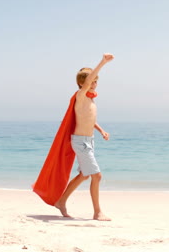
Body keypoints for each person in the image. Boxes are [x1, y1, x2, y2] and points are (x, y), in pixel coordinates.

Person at [54, 53, 114, 221]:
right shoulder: (80, 95)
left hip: (89, 141)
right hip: (80, 142)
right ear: (82, 84)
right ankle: (97, 212)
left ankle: (61, 201)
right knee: (97, 176)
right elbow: (87, 82)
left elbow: (88, 119)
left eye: (96, 81)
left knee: (85, 175)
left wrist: (101, 130)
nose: (94, 84)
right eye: (92, 81)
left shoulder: (89, 100)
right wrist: (102, 62)